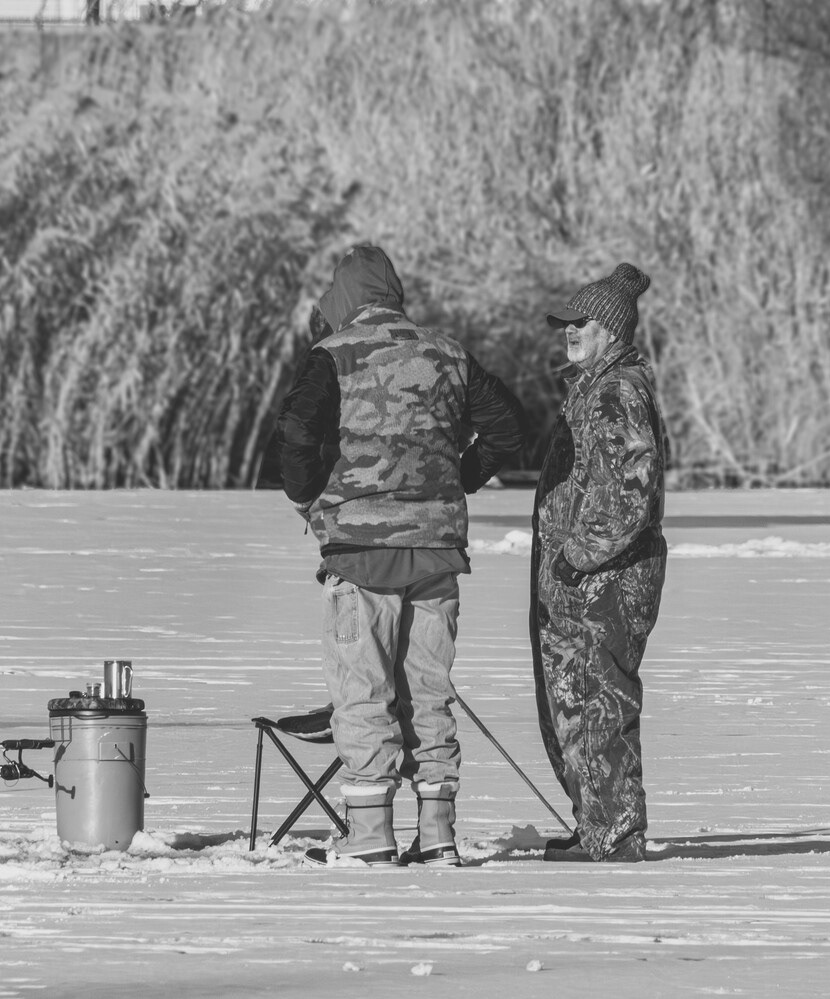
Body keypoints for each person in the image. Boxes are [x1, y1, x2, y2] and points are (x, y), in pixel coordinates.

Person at [278, 245, 524, 867]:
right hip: (437, 553)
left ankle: (369, 836)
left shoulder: (331, 355)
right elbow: (508, 428)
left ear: (342, 295)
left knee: (362, 691)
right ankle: (438, 832)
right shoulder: (448, 352)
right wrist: (456, 479)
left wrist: (315, 501)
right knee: (429, 692)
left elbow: (297, 435)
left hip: (360, 553)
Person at [532, 263, 669, 863]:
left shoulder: (616, 393)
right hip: (582, 581)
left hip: (606, 582)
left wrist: (575, 558)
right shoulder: (592, 390)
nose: (569, 329)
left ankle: (615, 832)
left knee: (601, 699)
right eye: (565, 321)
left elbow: (629, 494)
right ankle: (597, 823)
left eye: (580, 321)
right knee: (573, 700)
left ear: (610, 330)